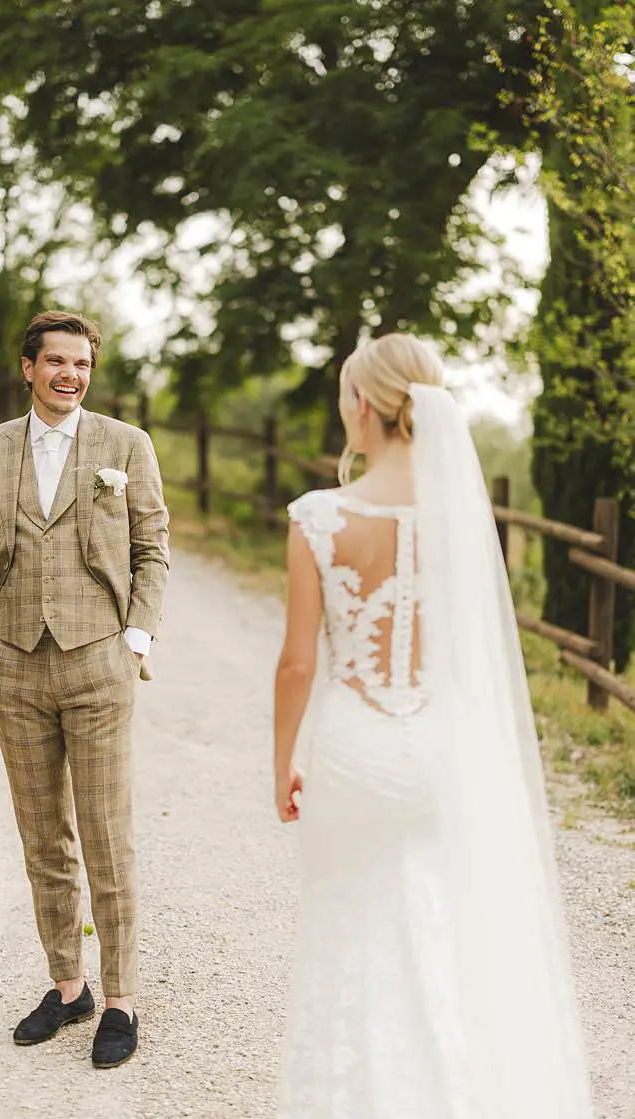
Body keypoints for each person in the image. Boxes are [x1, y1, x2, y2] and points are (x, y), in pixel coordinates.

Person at [273, 333, 593, 1116]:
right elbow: (473, 651)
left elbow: (297, 665)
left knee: (352, 925)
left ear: (366, 407)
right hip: (444, 743)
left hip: (354, 743)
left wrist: (281, 761)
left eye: (349, 396)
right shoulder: (460, 517)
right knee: (446, 921)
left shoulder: (321, 516)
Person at [0, 310, 170, 1069]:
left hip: (98, 663)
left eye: (81, 363)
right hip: (12, 666)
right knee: (44, 835)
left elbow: (154, 551)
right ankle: (68, 984)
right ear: (28, 367)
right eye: (56, 362)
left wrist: (133, 641)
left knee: (107, 835)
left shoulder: (125, 446)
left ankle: (121, 999)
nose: (70, 374)